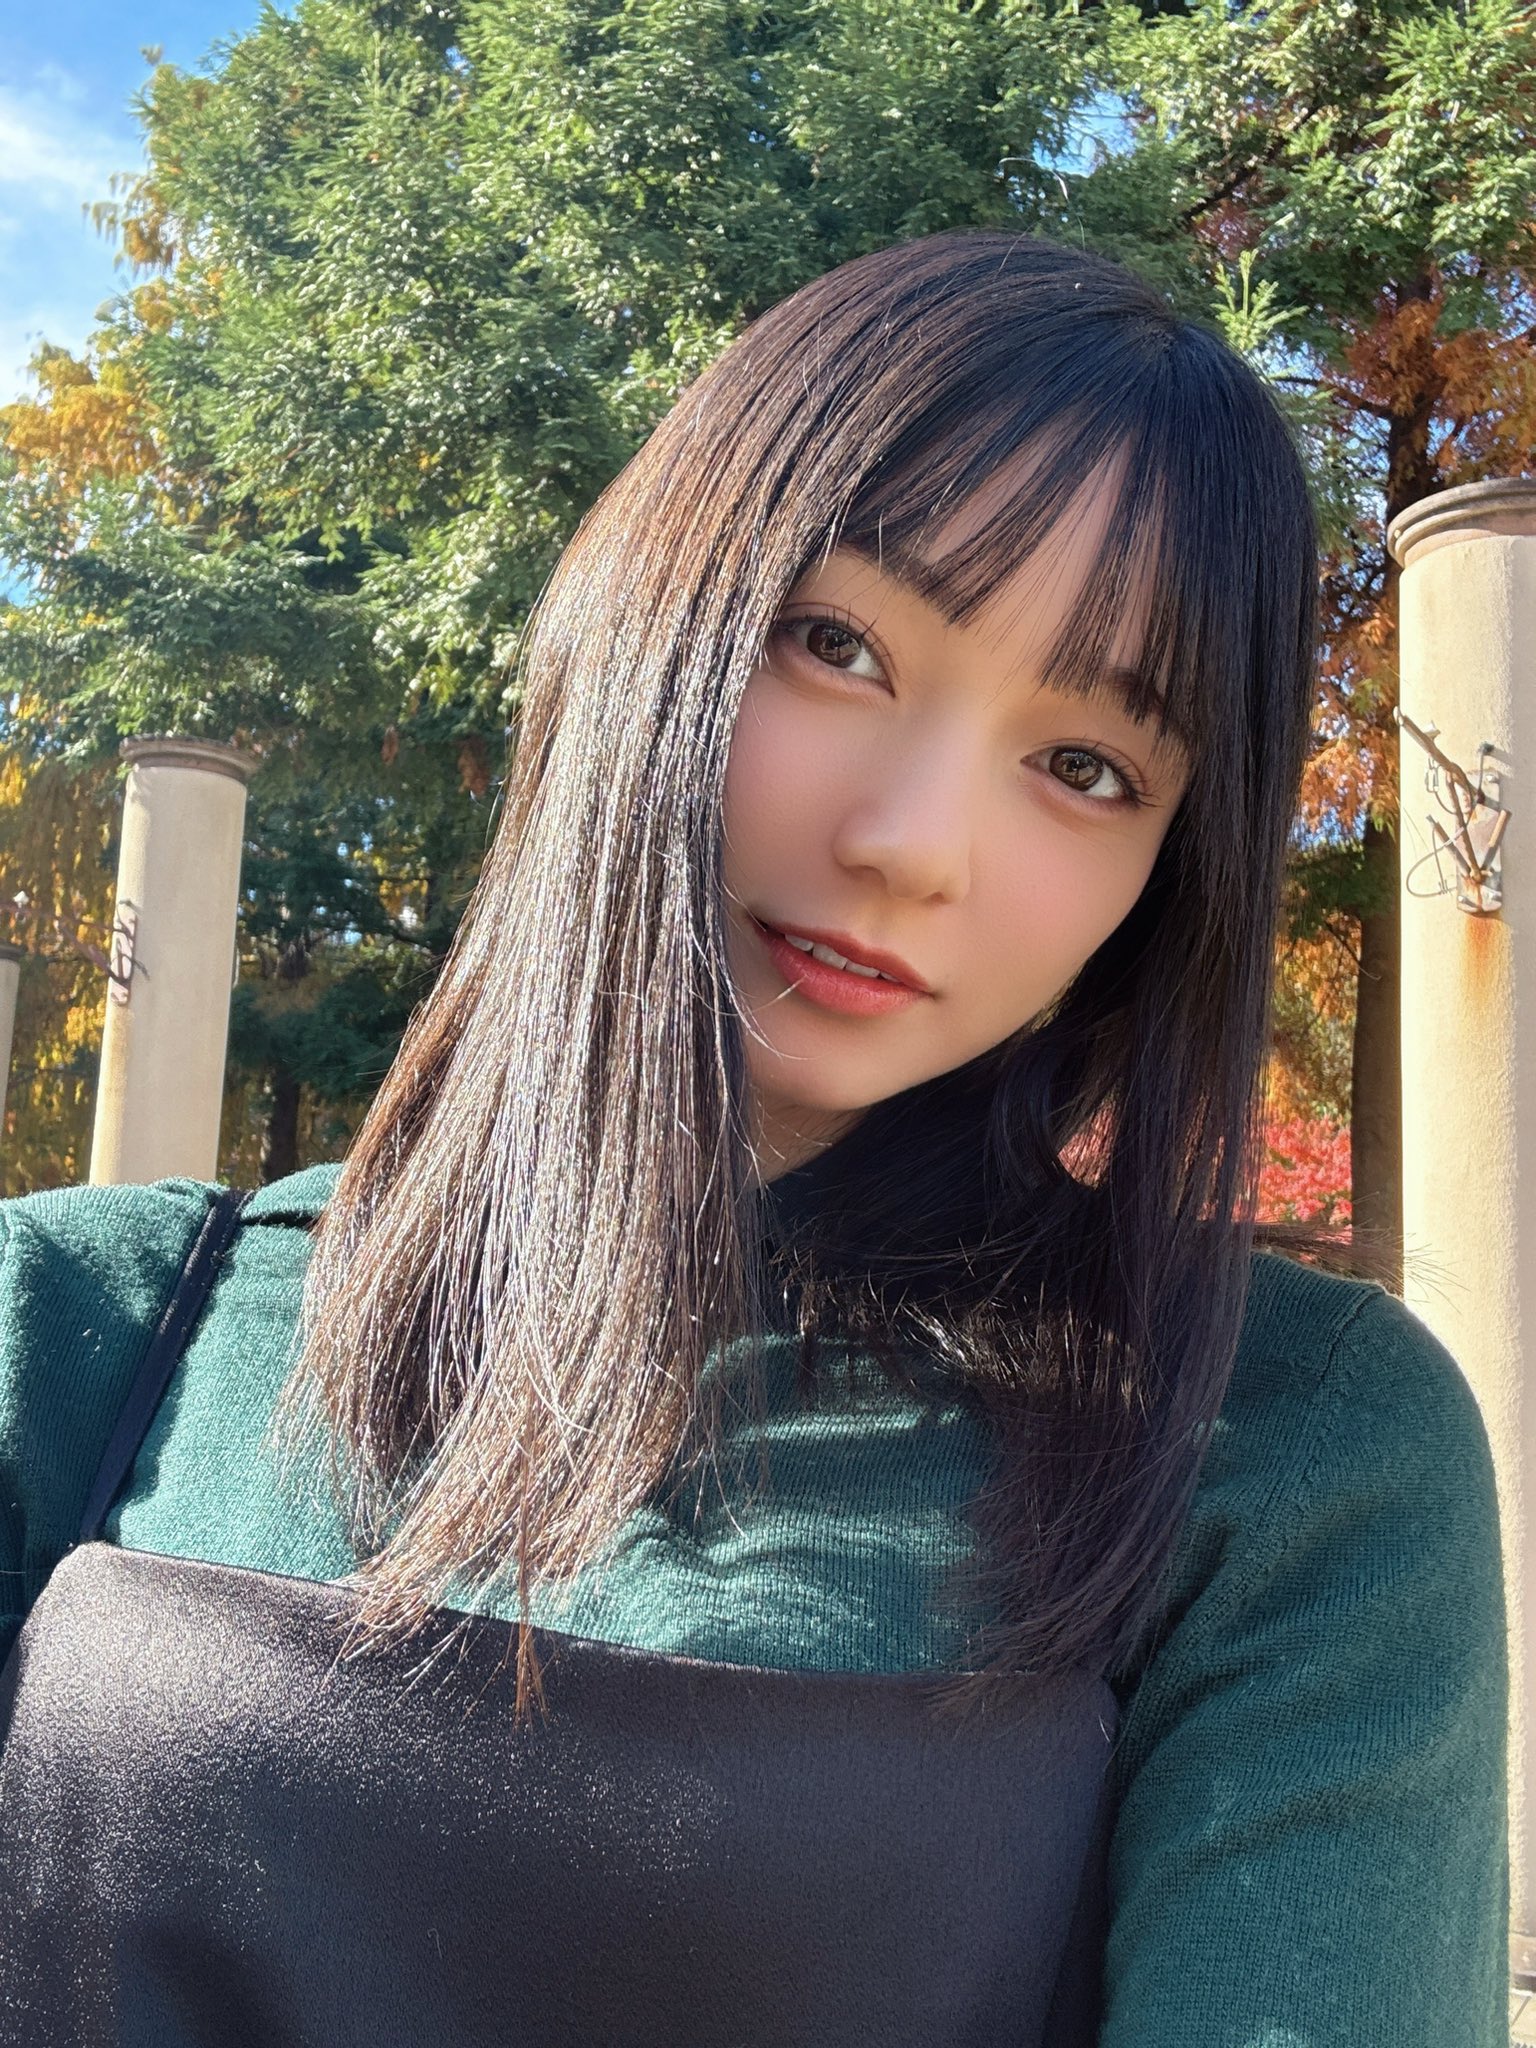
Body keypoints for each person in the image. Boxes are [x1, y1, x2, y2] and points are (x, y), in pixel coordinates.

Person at [0, 230, 1508, 2046]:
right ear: (650, 615)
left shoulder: (1289, 1451)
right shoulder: (84, 1327)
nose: (915, 843)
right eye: (840, 645)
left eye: (1086, 767)